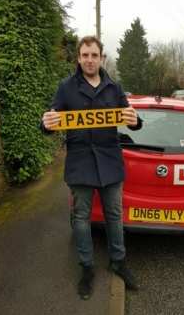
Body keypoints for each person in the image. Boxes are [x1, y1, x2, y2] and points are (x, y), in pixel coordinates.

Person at [40, 35, 142, 300]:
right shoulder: (65, 87)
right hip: (80, 165)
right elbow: (50, 122)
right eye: (84, 55)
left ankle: (117, 261)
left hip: (110, 164)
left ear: (101, 58)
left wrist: (134, 120)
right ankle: (87, 268)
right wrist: (47, 123)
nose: (89, 60)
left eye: (94, 55)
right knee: (81, 218)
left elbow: (132, 120)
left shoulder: (114, 87)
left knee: (114, 216)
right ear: (78, 58)